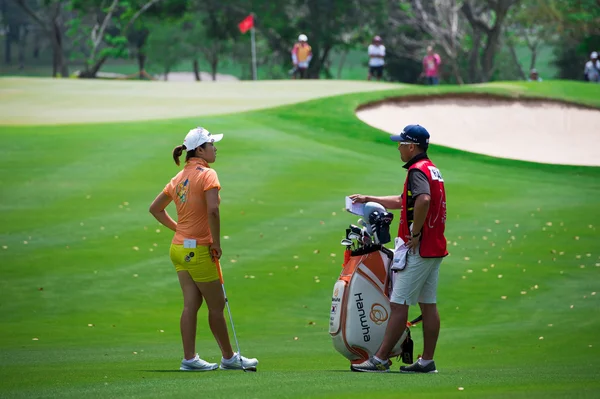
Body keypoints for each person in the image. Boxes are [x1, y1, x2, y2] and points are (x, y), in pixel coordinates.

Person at [149, 127, 258, 371]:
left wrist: (180, 229)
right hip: (199, 250)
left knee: (190, 305)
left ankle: (189, 359)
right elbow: (213, 210)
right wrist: (216, 243)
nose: (215, 148)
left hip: (179, 249)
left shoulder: (178, 178)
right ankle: (229, 358)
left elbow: (155, 209)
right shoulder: (208, 175)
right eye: (211, 144)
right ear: (200, 149)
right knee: (217, 306)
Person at [348, 124, 448, 373]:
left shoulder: (416, 171)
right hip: (433, 249)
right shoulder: (431, 169)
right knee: (428, 305)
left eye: (401, 144)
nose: (399, 148)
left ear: (412, 146)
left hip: (418, 248)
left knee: (398, 305)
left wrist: (415, 233)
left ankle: (379, 359)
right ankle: (427, 361)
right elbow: (405, 201)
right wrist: (370, 199)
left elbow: (423, 200)